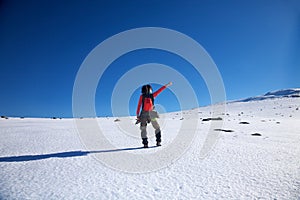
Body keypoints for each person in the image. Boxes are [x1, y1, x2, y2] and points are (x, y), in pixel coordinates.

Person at [136, 82, 172, 148]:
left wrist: (137, 114)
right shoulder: (148, 96)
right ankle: (150, 143)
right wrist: (137, 115)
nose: (147, 90)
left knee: (150, 128)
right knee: (148, 128)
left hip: (148, 114)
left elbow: (139, 105)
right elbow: (139, 105)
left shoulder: (148, 96)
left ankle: (153, 142)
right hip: (148, 113)